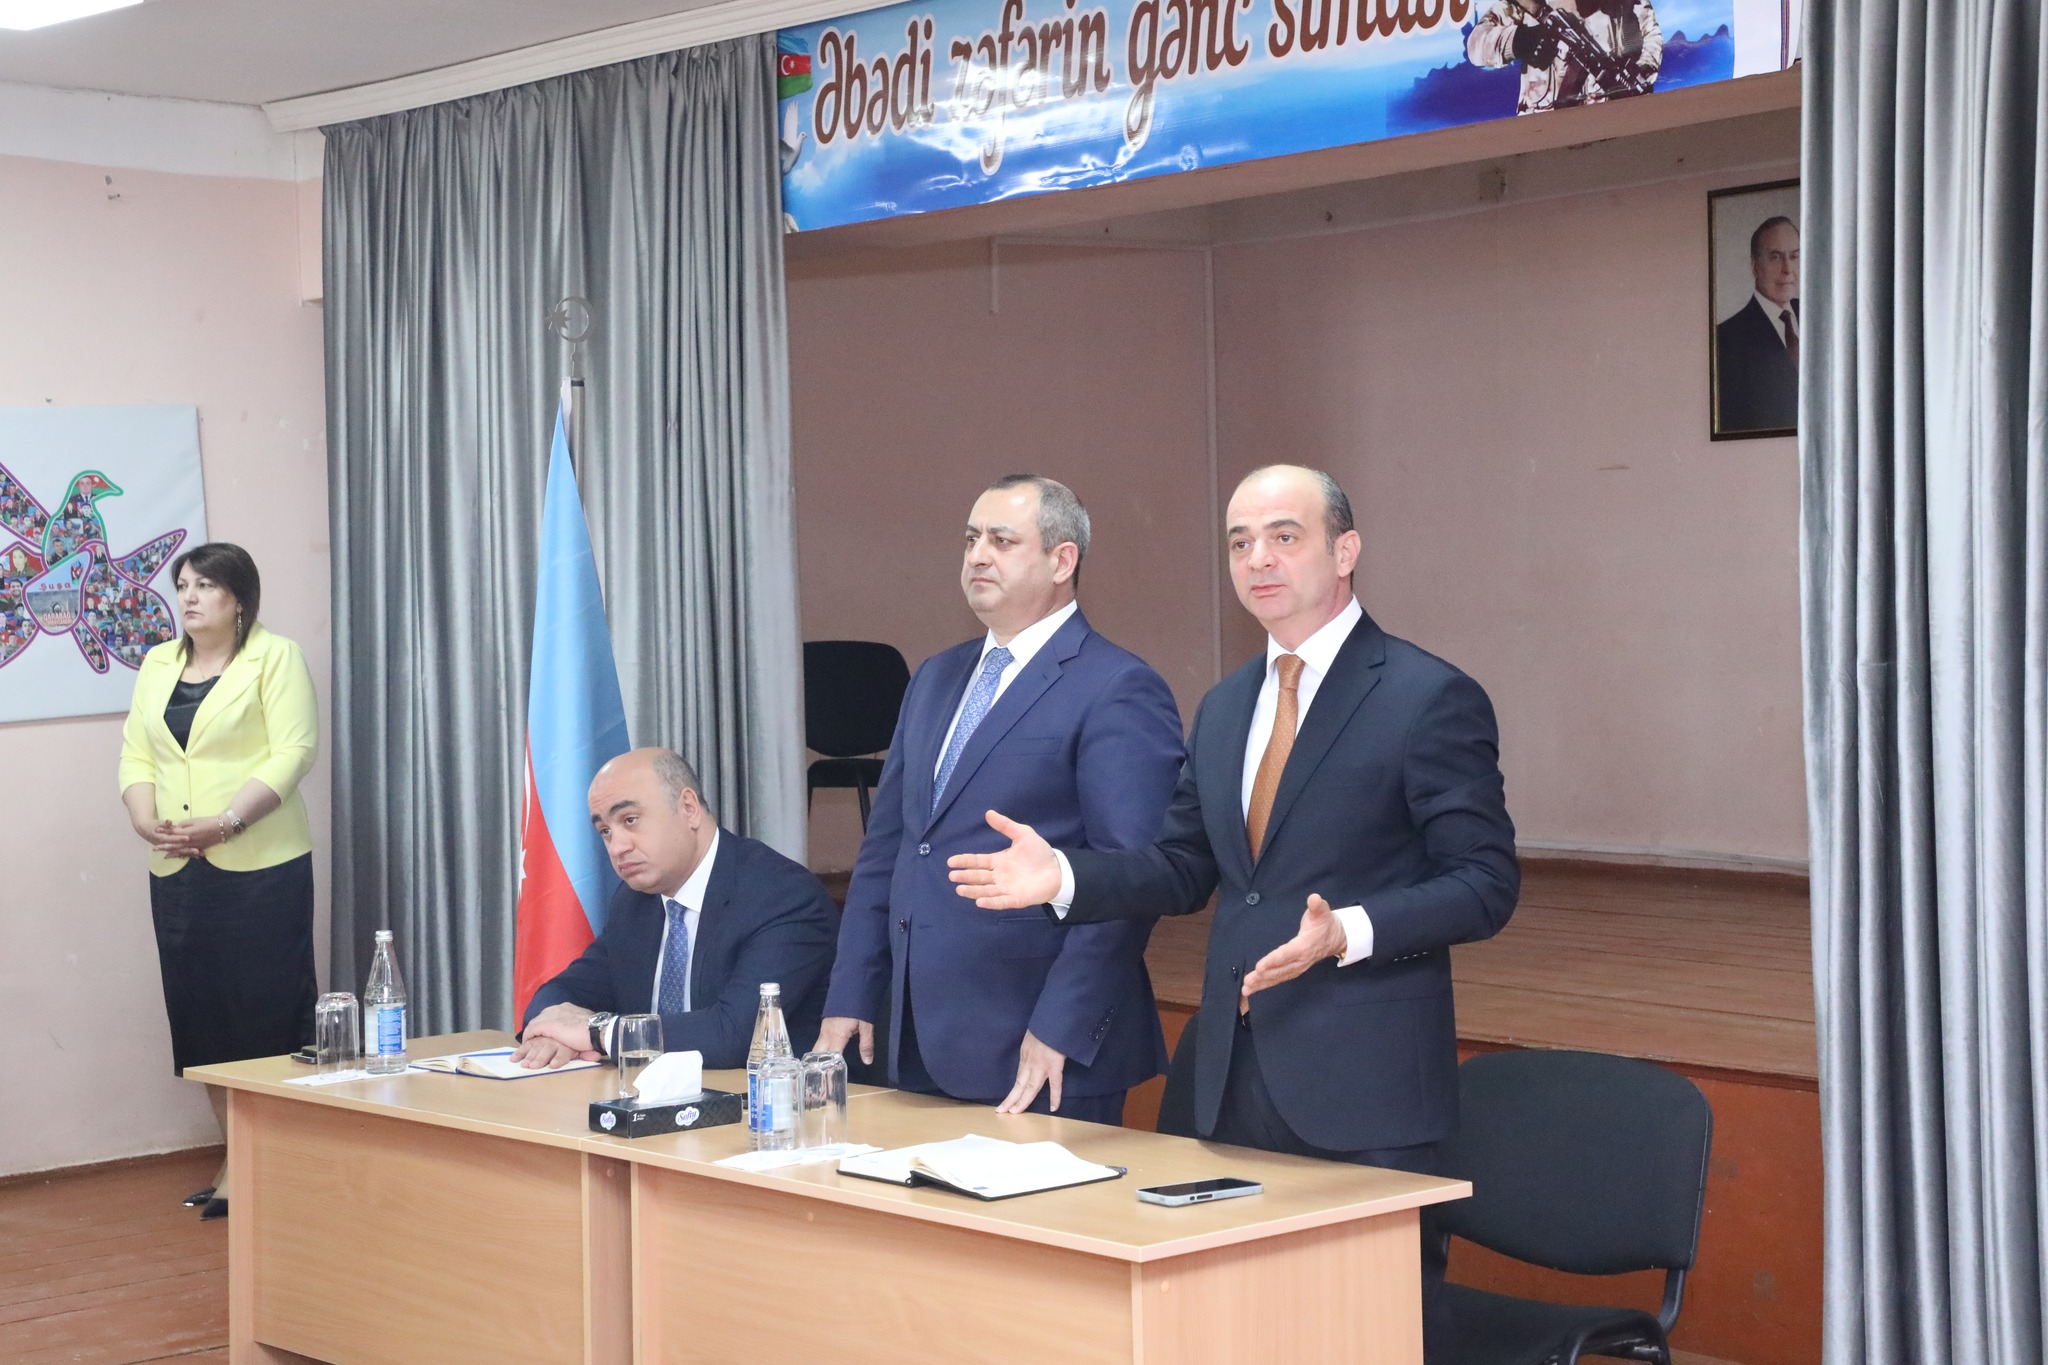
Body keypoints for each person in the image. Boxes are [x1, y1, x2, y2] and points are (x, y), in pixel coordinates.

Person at [949, 465, 1519, 1361]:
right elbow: (1183, 869)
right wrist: (1064, 876)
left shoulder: (1425, 695)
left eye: (1284, 536)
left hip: (1364, 1090)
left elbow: (1484, 882)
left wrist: (1349, 931)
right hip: (1226, 1079)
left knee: (1361, 1335)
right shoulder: (1224, 707)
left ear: (1345, 550)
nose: (1258, 559)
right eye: (1239, 542)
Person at [814, 474, 1185, 1124]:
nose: (977, 556)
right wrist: (851, 990)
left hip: (1040, 1049)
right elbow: (890, 850)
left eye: (1002, 541)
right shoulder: (935, 677)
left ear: (1062, 560)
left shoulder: (1118, 686)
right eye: (970, 539)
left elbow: (1130, 883)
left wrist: (1062, 1024)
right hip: (912, 1035)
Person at [118, 542, 319, 1223]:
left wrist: (227, 822)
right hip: (178, 867)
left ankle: (269, 1164)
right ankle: (241, 1157)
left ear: (239, 598)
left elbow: (295, 751)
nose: (190, 596)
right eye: (183, 585)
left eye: (205, 585)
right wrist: (144, 818)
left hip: (260, 865)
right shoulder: (156, 663)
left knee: (264, 1016)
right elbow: (137, 754)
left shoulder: (275, 657)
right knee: (202, 1019)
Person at [514, 747, 838, 1071]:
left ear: (688, 808)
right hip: (652, 1097)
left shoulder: (781, 895)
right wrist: (552, 1034)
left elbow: (736, 1035)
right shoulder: (634, 903)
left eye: (630, 820)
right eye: (605, 831)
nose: (617, 847)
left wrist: (598, 1033)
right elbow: (560, 993)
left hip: (771, 1098)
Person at [1468, 0, 1663, 114]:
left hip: (1610, 117)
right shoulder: (1530, 5)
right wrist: (1518, 41)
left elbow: (1651, 36)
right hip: (1543, 127)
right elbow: (1476, 45)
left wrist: (1644, 68)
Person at [1715, 215, 1801, 433]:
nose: (1787, 269)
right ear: (1755, 267)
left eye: (1794, 256)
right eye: (1775, 257)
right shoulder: (1726, 339)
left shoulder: (1824, 320)